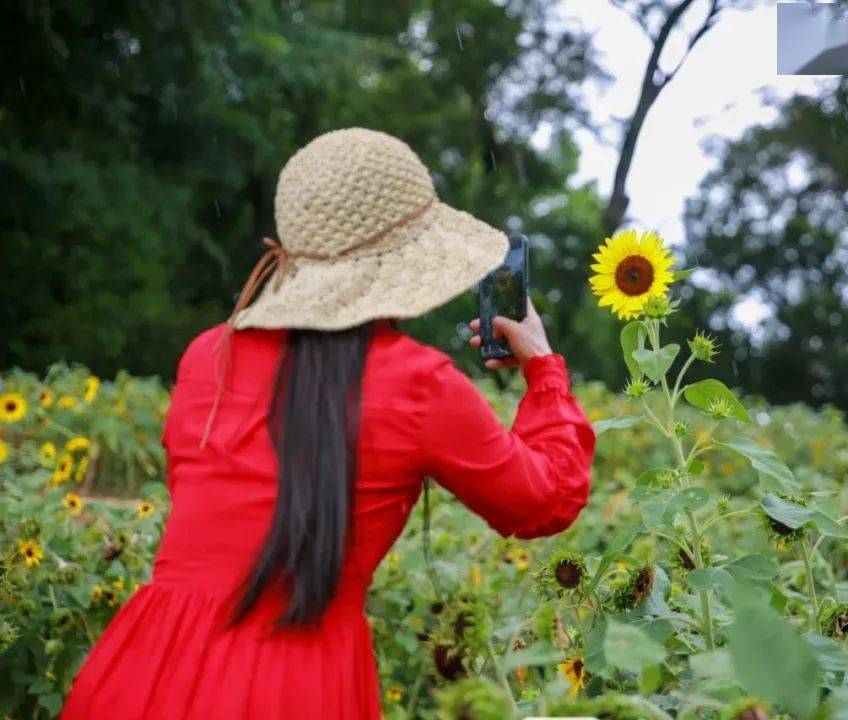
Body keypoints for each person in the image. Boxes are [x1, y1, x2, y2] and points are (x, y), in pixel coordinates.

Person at [61, 128, 596, 719]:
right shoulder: (418, 384)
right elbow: (545, 500)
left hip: (146, 668)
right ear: (412, 260)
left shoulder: (205, 356)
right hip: (296, 677)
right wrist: (543, 371)